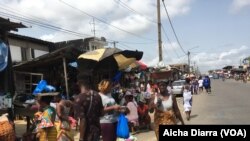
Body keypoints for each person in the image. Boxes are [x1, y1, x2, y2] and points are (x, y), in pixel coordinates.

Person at [74, 75, 104, 141]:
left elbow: (83, 120)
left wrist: (81, 138)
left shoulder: (79, 98)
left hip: (87, 134)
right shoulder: (97, 95)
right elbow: (102, 113)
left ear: (79, 83)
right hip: (96, 131)